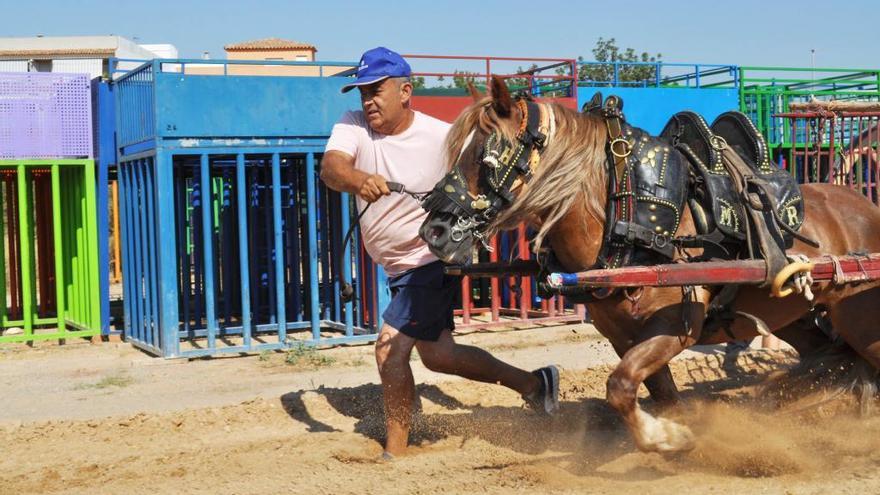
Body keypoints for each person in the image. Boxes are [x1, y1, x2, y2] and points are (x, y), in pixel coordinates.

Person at [320, 47, 559, 459]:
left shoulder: (443, 137)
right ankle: (535, 385)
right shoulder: (353, 124)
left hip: (430, 259)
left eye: (376, 90)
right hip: (397, 267)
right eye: (362, 92)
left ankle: (395, 453)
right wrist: (359, 180)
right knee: (439, 356)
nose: (367, 100)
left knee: (389, 349)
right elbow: (331, 168)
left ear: (406, 90)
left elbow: (495, 171)